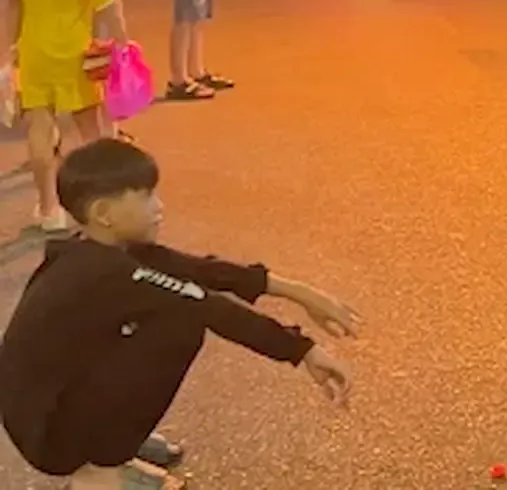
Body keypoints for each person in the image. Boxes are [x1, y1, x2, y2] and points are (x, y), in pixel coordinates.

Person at [0, 138, 354, 488]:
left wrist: (302, 293)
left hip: (43, 409)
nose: (160, 205)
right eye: (146, 196)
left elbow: (204, 271)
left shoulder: (100, 249)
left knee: (167, 314)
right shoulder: (104, 271)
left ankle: (110, 445)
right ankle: (97, 472)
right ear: (103, 214)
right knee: (180, 321)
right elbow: (207, 305)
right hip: (49, 434)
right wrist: (302, 350)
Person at [0, 0, 127, 233]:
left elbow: (10, 4)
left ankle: (48, 206)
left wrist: (7, 54)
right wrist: (121, 45)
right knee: (90, 129)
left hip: (35, 51)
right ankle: (96, 201)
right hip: (78, 53)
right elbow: (109, 5)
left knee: (39, 127)